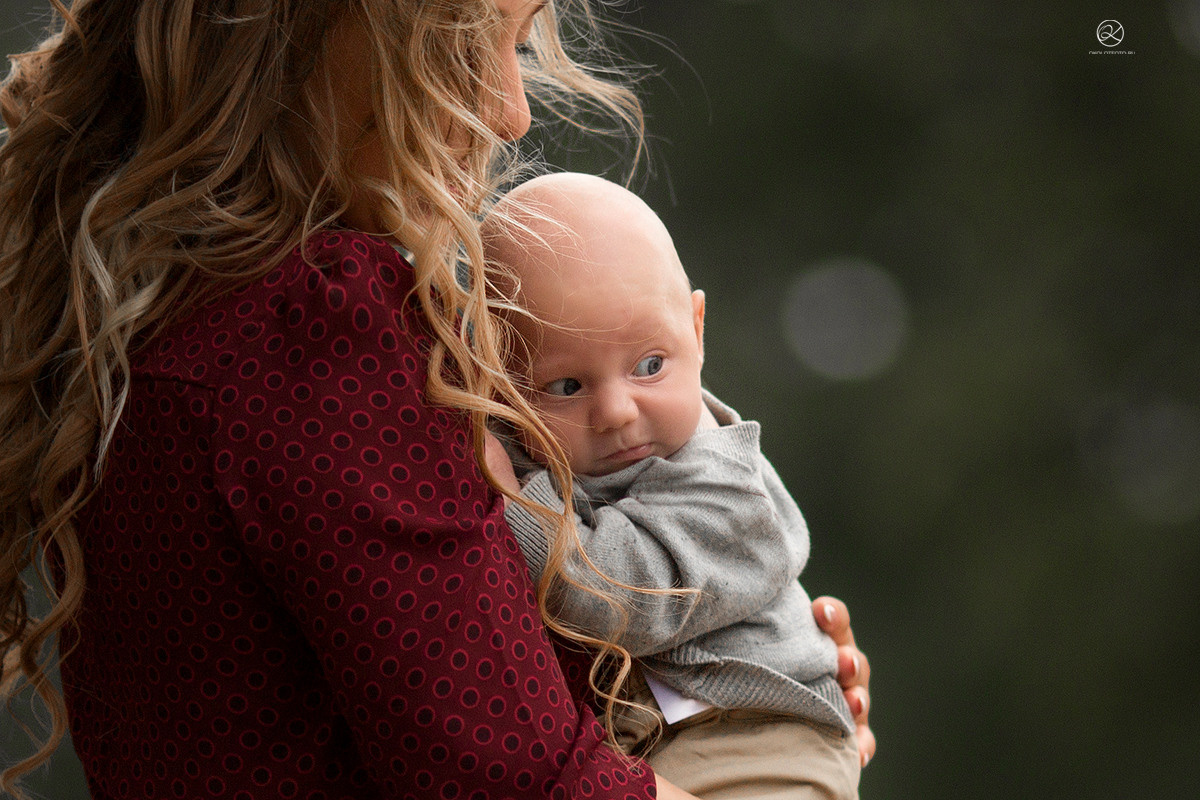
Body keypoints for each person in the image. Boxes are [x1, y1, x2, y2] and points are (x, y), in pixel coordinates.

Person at [0, 2, 873, 799]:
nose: (511, 109)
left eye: (518, 46)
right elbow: (517, 776)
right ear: (313, 35)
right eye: (463, 46)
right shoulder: (315, 324)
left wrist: (738, 678)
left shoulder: (154, 312)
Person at [482, 172, 859, 799]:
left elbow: (611, 595)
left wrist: (511, 497)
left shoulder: (726, 488)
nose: (618, 411)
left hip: (761, 738)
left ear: (698, 327)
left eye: (649, 366)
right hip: (657, 744)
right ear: (501, 386)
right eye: (566, 387)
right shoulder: (543, 447)